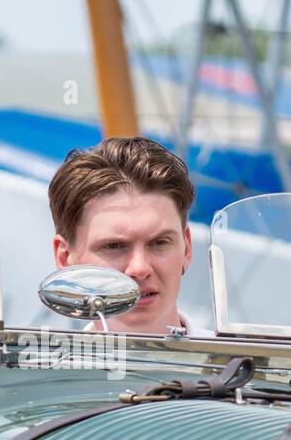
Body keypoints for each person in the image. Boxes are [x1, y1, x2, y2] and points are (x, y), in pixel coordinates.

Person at [48, 136, 210, 335]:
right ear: (65, 258)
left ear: (187, 248)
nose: (140, 268)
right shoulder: (51, 366)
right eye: (114, 246)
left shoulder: (248, 365)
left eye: (159, 243)